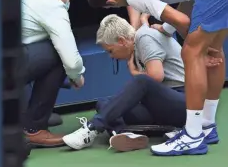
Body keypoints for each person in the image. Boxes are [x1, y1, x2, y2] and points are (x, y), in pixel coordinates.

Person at [84, 0, 228, 156]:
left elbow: (183, 21)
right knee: (215, 49)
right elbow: (188, 0)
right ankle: (206, 127)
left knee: (190, 52)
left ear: (110, 4)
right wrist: (169, 29)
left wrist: (197, 49)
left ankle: (193, 135)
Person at [63, 14, 188, 151]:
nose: (111, 56)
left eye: (111, 51)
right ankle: (123, 135)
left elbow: (156, 76)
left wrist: (135, 73)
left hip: (186, 102)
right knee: (104, 103)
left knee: (141, 81)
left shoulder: (144, 37)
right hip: (162, 108)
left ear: (122, 41)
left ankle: (93, 127)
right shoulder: (135, 46)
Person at [18, 0, 85, 147]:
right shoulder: (52, 4)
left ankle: (25, 118)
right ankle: (34, 129)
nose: (68, 3)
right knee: (59, 53)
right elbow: (70, 60)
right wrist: (77, 76)